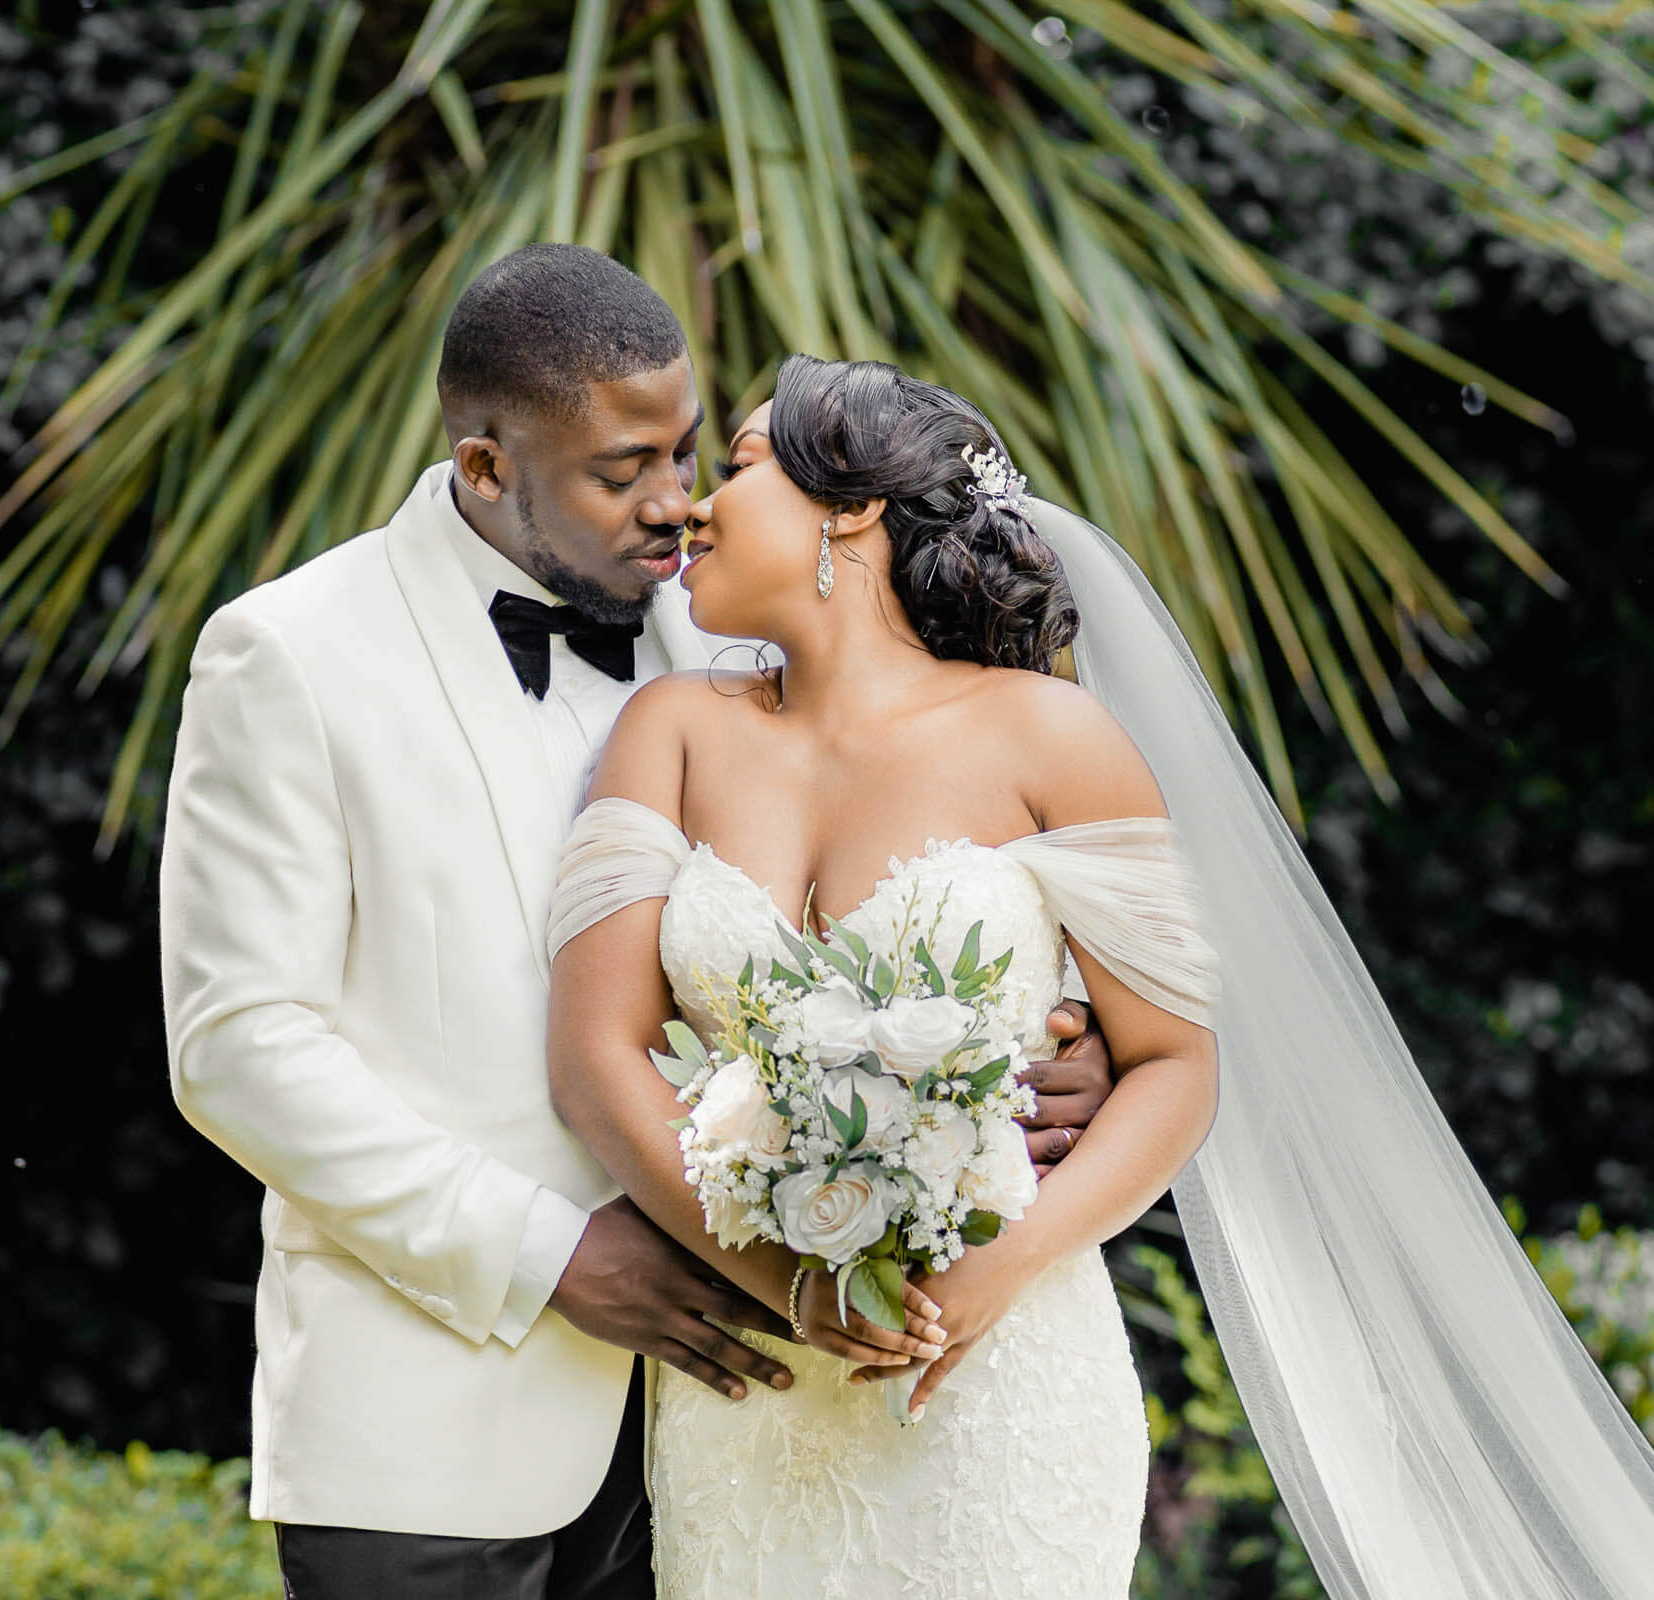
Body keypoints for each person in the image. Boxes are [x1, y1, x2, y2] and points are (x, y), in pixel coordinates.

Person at [545, 354, 1654, 1599]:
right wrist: (791, 1285)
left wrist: (992, 1273)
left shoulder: (1050, 735)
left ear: (848, 508)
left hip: (995, 1376)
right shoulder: (669, 728)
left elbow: (1174, 1065)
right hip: (749, 1389)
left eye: (738, 466)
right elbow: (595, 1056)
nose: (693, 504)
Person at [158, 246, 1109, 1600]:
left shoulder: (742, 627)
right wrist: (543, 1255)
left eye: (686, 450)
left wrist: (1040, 1044)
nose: (677, 502)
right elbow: (239, 1045)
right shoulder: (289, 652)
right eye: (624, 470)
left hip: (738, 1432)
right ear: (487, 466)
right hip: (434, 1416)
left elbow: (901, 868)